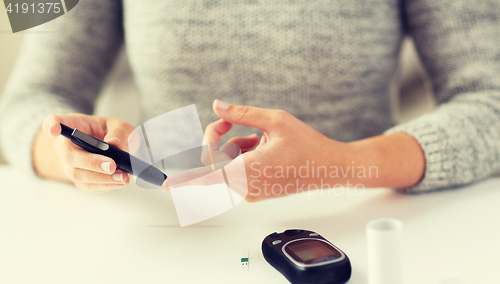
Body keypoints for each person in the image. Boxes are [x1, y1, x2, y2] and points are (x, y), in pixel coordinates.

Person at [0, 0, 499, 199]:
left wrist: (345, 164)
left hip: (358, 225)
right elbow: (29, 100)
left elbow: (489, 99)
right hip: (173, 239)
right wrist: (69, 156)